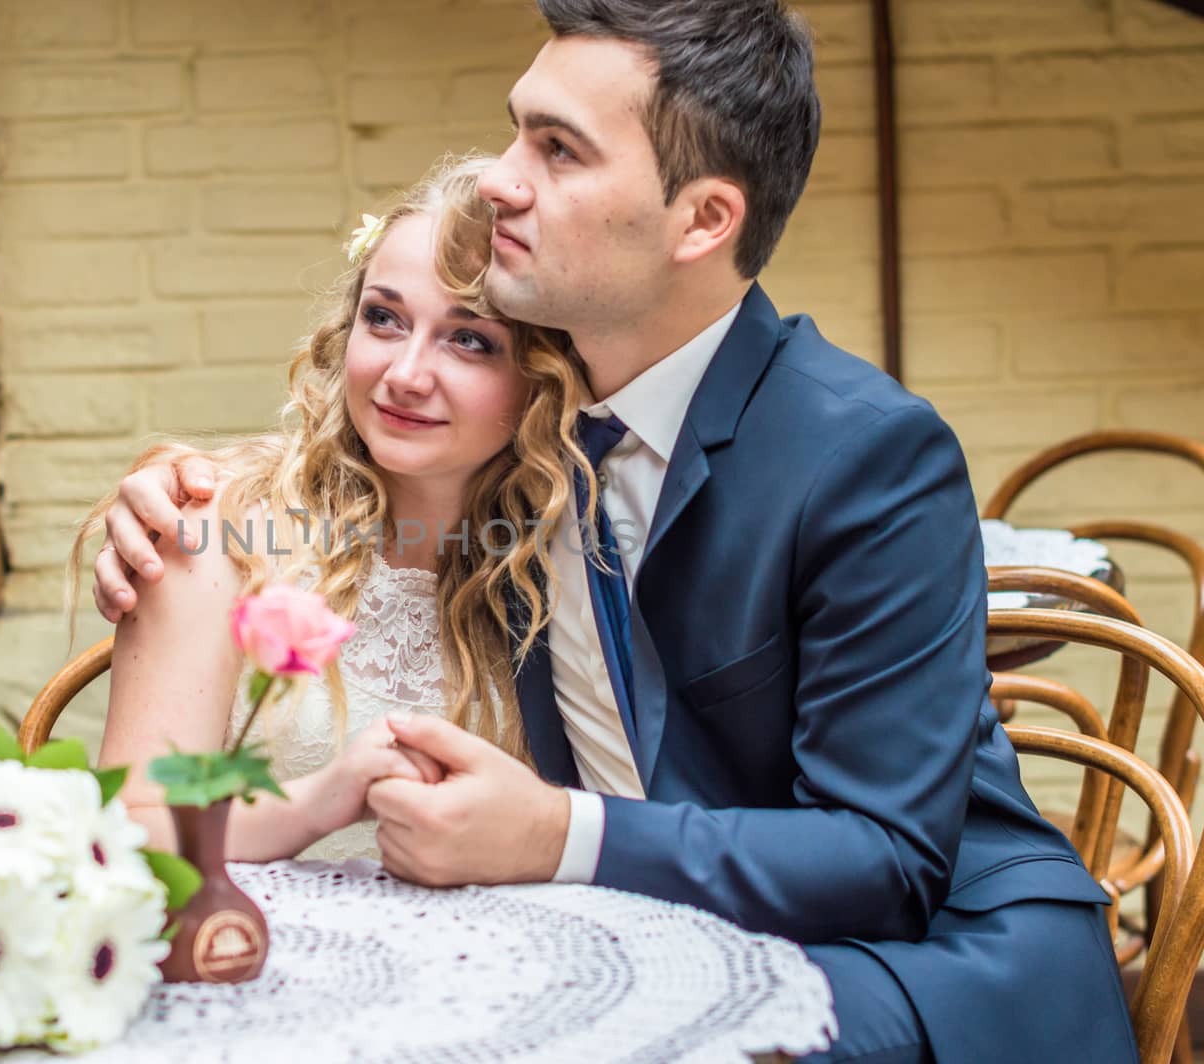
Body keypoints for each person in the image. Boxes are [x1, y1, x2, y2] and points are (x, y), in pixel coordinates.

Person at [90, 4, 1139, 1062]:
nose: (503, 178)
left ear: (700, 222)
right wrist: (177, 489)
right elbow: (346, 495)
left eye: (557, 149)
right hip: (596, 932)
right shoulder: (526, 449)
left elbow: (887, 858)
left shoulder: (861, 452)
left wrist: (556, 833)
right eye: (517, 132)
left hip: (919, 956)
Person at [70, 155, 594, 865]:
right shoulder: (216, 529)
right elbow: (130, 827)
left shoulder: (577, 559)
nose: (404, 376)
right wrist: (319, 804)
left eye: (469, 339)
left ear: (545, 376)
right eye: (383, 319)